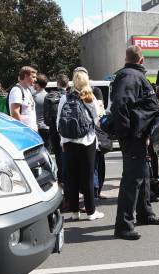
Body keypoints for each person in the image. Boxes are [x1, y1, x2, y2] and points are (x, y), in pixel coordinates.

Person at [112, 45, 159, 240]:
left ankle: (145, 214)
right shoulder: (130, 76)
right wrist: (129, 134)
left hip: (140, 135)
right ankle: (123, 226)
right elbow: (121, 106)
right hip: (134, 136)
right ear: (141, 60)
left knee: (143, 175)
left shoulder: (133, 75)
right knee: (131, 181)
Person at [57, 67, 104, 221]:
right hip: (87, 141)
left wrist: (63, 140)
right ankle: (91, 212)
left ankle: (74, 212)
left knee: (72, 177)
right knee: (87, 177)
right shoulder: (90, 97)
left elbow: (59, 121)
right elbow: (97, 120)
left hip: (68, 142)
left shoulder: (65, 98)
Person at [44, 73, 69, 188]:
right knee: (68, 154)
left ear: (57, 83)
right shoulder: (71, 95)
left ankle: (61, 179)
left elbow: (46, 118)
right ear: (67, 83)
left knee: (58, 154)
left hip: (54, 129)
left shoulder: (49, 96)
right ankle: (69, 178)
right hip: (68, 130)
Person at [9, 66, 37, 131]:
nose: (36, 80)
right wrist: (23, 130)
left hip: (31, 131)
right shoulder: (17, 90)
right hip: (24, 131)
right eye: (33, 77)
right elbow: (15, 112)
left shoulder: (28, 90)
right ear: (26, 76)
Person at [33, 73, 50, 148]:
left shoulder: (34, 97)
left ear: (37, 84)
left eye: (34, 82)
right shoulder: (48, 96)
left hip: (38, 128)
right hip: (47, 128)